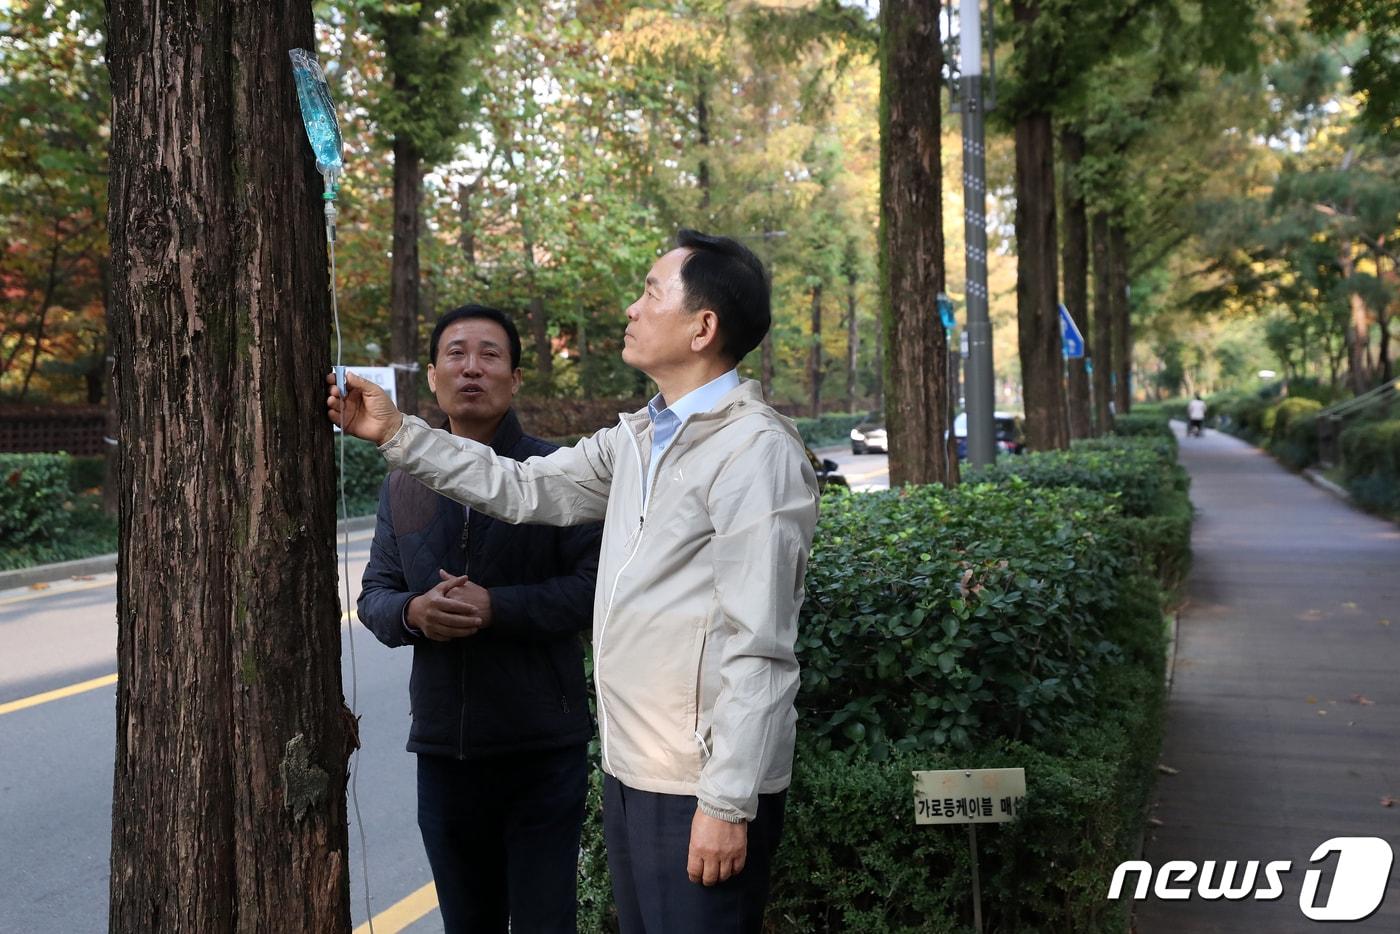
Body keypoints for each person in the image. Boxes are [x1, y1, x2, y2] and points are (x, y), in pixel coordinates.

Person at [329, 230, 819, 934]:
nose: (632, 307)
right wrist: (396, 433)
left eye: (651, 292)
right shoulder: (637, 440)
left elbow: (760, 645)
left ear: (702, 327)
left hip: (700, 787)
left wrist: (728, 804)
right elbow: (520, 486)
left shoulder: (755, 453)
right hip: (633, 774)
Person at [356, 305, 602, 934]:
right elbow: (375, 597)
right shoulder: (403, 483)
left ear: (515, 378)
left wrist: (499, 607)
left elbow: (593, 591)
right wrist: (414, 613)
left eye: (490, 355)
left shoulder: (558, 474)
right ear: (434, 377)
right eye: (456, 354)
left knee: (548, 923)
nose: (472, 368)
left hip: (543, 749)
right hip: (445, 751)